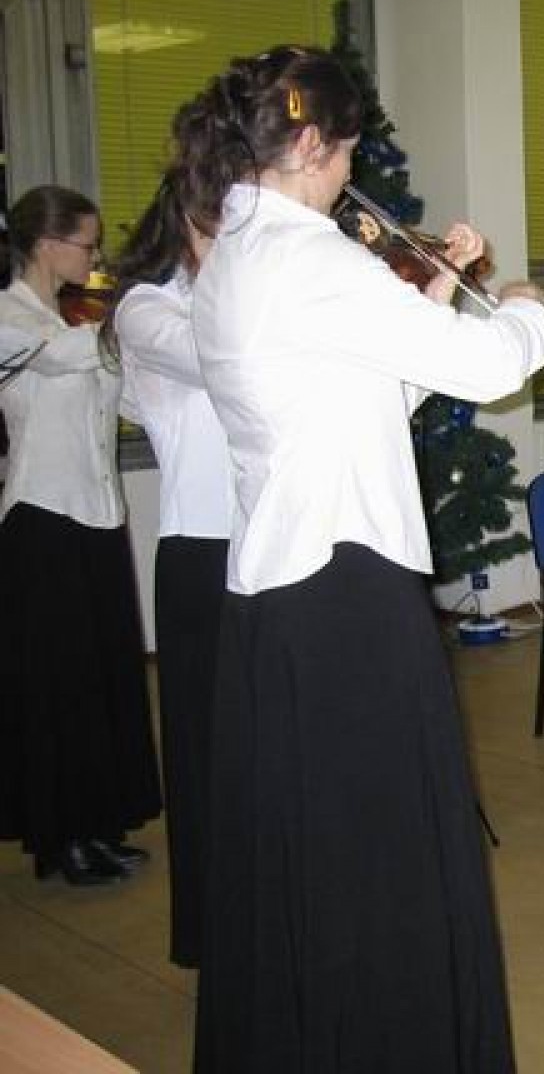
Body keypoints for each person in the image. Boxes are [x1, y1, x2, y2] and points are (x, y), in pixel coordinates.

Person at [174, 45, 544, 1070]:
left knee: (312, 849)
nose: (352, 172)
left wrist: (437, 293)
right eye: (346, 150)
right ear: (310, 145)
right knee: (378, 851)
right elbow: (494, 366)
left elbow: (369, 394)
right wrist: (527, 306)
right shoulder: (312, 260)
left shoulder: (238, 259)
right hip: (347, 594)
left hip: (284, 593)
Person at [0, 185, 161, 887]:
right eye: (85, 245)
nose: (94, 259)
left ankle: (99, 824)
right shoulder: (10, 317)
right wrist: (130, 315)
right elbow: (63, 358)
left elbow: (127, 398)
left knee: (102, 678)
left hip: (98, 518)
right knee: (56, 687)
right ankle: (59, 836)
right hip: (41, 520)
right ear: (45, 244)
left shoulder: (77, 318)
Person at [109, 173, 231, 967]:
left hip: (270, 549)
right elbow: (218, 354)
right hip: (201, 554)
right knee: (207, 760)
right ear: (189, 221)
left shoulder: (246, 302)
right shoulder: (146, 309)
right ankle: (214, 935)